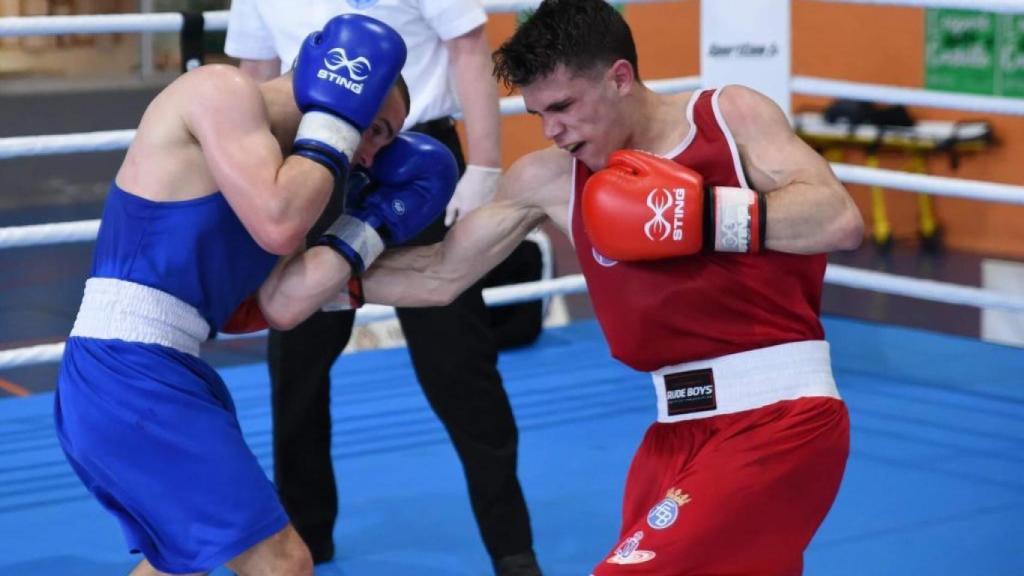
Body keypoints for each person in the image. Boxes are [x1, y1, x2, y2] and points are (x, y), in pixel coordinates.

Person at [288, 0, 867, 573]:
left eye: (563, 106)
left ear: (620, 77)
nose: (552, 130)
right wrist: (303, 279)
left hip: (781, 416)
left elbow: (837, 219)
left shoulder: (725, 118)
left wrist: (693, 214)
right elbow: (440, 274)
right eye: (539, 113)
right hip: (672, 435)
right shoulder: (550, 179)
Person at [52, 14, 455, 575]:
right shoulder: (221, 92)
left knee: (177, 564)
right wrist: (340, 121)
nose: (371, 156)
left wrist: (373, 224)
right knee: (282, 561)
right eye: (377, 130)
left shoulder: (291, 172)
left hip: (160, 372)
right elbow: (279, 225)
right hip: (127, 370)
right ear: (344, 83)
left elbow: (284, 304)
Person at [224, 3, 542, 574]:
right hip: (311, 170)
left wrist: (486, 169)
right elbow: (255, 73)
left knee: (460, 365)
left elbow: (468, 47)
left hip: (417, 160)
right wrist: (250, 184)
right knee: (296, 366)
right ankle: (307, 540)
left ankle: (512, 547)